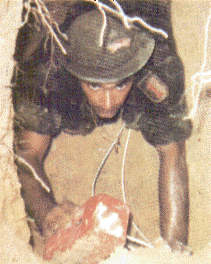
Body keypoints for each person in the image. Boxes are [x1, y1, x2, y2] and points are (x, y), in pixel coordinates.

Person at [12, 0, 192, 252]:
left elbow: (173, 152)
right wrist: (48, 215)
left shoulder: (158, 64)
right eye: (94, 85)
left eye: (120, 84)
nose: (108, 103)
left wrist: (175, 250)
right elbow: (26, 153)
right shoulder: (48, 66)